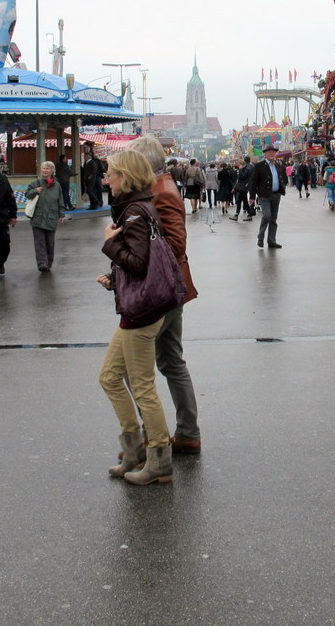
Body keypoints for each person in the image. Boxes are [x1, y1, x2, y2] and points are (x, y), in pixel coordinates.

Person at [95, 150, 173, 485]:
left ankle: (158, 459)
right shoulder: (137, 208)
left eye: (111, 174)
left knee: (142, 386)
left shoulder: (136, 212)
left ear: (124, 176)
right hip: (138, 306)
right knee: (110, 377)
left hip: (140, 311)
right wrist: (114, 276)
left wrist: (110, 244)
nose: (106, 180)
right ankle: (135, 447)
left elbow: (139, 263)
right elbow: (141, 261)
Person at [128, 135, 201, 454]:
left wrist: (137, 263)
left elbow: (175, 244)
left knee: (134, 367)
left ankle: (152, 438)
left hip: (160, 290)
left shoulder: (162, 191)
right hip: (170, 288)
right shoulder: (158, 187)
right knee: (171, 361)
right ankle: (186, 433)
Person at [24, 160, 67, 272]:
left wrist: (61, 213)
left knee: (50, 243)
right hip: (38, 218)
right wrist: (35, 191)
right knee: (39, 243)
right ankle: (42, 264)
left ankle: (49, 262)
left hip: (51, 217)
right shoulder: (36, 183)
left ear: (52, 171)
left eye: (47, 168)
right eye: (43, 168)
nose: (45, 170)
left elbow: (60, 201)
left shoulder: (57, 186)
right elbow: (27, 195)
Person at [248, 143, 285, 248]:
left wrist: (282, 187)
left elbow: (281, 177)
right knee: (267, 215)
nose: (272, 153)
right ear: (265, 154)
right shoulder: (260, 166)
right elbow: (253, 182)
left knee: (273, 219)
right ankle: (260, 237)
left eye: (273, 152)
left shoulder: (278, 165)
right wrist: (251, 197)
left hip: (276, 195)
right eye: (269, 152)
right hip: (264, 195)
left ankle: (271, 240)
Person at [230, 156, 254, 221]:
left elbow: (243, 177)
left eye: (239, 165)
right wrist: (235, 188)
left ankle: (237, 215)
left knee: (240, 201)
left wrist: (240, 169)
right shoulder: (245, 169)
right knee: (244, 202)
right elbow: (239, 180)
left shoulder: (247, 169)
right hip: (242, 188)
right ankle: (249, 214)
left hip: (244, 188)